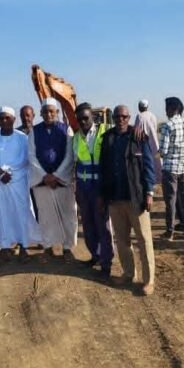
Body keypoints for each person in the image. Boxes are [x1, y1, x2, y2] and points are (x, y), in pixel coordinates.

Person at [99, 105, 156, 295]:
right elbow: (103, 168)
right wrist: (103, 195)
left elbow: (148, 166)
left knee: (144, 240)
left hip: (136, 198)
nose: (120, 119)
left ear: (129, 117)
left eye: (124, 116)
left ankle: (148, 280)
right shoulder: (107, 138)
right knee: (122, 240)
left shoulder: (138, 137)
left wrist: (149, 192)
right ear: (113, 118)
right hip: (115, 198)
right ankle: (128, 273)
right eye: (117, 116)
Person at [0, 107, 41, 256]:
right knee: (2, 214)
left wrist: (8, 172)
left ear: (14, 120)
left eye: (7, 118)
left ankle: (24, 246)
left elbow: (26, 159)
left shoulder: (22, 138)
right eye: (1, 118)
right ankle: (5, 246)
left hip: (18, 183)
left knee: (21, 214)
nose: (4, 121)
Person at [29, 98, 78, 260]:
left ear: (57, 112)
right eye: (45, 111)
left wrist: (57, 175)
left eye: (52, 111)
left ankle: (67, 248)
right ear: (41, 113)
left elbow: (70, 155)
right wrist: (44, 176)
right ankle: (48, 246)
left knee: (68, 215)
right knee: (46, 216)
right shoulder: (34, 131)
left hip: (62, 181)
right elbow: (31, 155)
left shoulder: (66, 130)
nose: (49, 114)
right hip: (42, 181)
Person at [72, 103, 113, 278]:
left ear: (92, 117)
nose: (83, 122)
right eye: (79, 119)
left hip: (100, 188)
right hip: (84, 189)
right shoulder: (75, 138)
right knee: (88, 225)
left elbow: (124, 129)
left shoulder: (105, 131)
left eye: (86, 118)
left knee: (103, 226)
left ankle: (106, 263)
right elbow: (75, 164)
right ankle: (95, 255)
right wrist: (76, 189)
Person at [159, 97, 184, 241]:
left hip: (170, 168)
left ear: (171, 109)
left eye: (166, 108)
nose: (165, 112)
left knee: (171, 200)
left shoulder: (167, 126)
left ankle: (170, 232)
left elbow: (163, 150)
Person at [134, 99, 161, 181]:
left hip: (142, 141)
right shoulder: (153, 115)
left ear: (139, 107)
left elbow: (136, 130)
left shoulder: (139, 116)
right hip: (153, 140)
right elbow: (155, 128)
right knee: (155, 159)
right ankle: (156, 177)